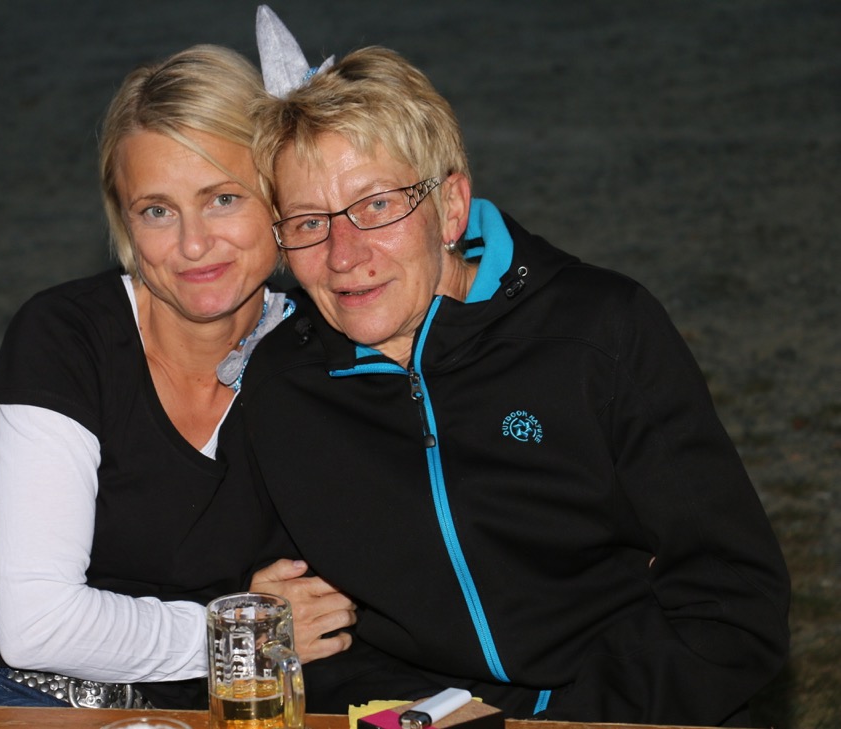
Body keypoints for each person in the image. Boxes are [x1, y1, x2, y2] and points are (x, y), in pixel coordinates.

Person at [239, 11, 790, 726]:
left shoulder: (597, 333)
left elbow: (734, 598)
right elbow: (315, 636)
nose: (344, 255)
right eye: (310, 222)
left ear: (450, 207)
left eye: (376, 204)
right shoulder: (284, 389)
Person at [0, 44, 354, 711]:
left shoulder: (328, 350)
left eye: (223, 198)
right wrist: (240, 630)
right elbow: (38, 624)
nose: (193, 244)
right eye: (157, 210)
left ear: (280, 199)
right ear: (124, 222)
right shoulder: (67, 336)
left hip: (179, 707)